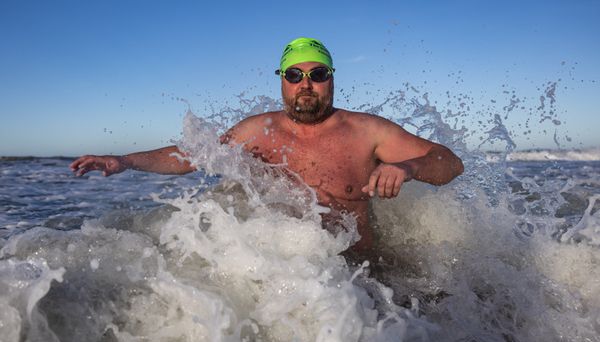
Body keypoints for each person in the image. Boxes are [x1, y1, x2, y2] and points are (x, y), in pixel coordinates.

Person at [70, 37, 464, 250]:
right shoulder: (257, 131)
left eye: (317, 72)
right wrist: (123, 160)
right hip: (290, 279)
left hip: (362, 278)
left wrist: (407, 167)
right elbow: (191, 156)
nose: (305, 83)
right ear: (282, 80)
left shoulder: (367, 132)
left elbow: (448, 163)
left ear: (332, 78)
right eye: (294, 74)